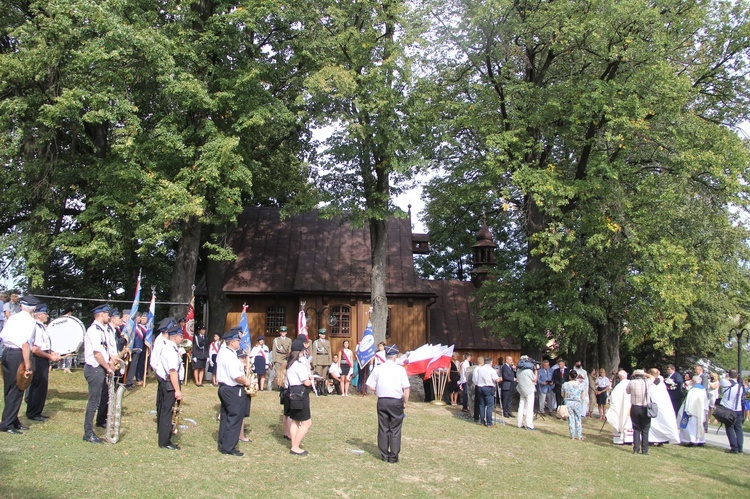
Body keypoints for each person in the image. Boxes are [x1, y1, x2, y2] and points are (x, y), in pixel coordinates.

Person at [0, 295, 40, 434]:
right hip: (18, 354)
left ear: (21, 306)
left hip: (7, 352)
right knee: (17, 389)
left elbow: (3, 335)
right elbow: (25, 344)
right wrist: (27, 365)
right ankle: (7, 423)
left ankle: (12, 419)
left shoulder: (13, 317)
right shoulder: (30, 321)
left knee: (9, 388)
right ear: (33, 308)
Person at [366, 344, 410, 463]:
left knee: (383, 427)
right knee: (395, 429)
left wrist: (381, 389)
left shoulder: (379, 368)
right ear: (395, 356)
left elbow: (370, 386)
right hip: (396, 400)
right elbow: (406, 389)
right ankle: (394, 456)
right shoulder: (400, 369)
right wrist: (405, 402)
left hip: (383, 400)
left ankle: (384, 454)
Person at [215, 328, 253, 456]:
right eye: (238, 341)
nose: (239, 343)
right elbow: (235, 376)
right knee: (235, 417)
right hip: (232, 388)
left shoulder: (223, 352)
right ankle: (229, 447)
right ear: (232, 342)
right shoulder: (230, 355)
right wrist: (246, 381)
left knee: (225, 416)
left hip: (223, 387)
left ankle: (223, 443)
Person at [82, 304, 116, 444]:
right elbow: (97, 353)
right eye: (107, 314)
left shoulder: (102, 329)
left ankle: (92, 429)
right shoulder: (94, 330)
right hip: (95, 368)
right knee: (93, 402)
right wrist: (107, 367)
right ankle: (88, 433)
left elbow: (106, 350)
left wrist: (112, 361)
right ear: (101, 314)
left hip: (100, 368)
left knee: (100, 400)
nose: (109, 316)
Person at [26, 304, 61, 422]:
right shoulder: (35, 326)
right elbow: (35, 349)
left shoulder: (42, 327)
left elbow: (44, 345)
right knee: (38, 386)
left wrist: (52, 352)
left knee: (41, 386)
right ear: (39, 315)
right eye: (45, 314)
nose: (47, 316)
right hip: (38, 359)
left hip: (43, 357)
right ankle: (33, 413)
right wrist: (50, 356)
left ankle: (37, 411)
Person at [157, 324, 184, 450]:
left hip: (166, 382)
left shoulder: (170, 347)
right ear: (175, 337)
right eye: (180, 335)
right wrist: (177, 390)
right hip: (169, 384)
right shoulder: (171, 349)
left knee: (165, 411)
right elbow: (173, 371)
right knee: (167, 412)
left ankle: (165, 437)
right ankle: (164, 441)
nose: (182, 337)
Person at [284, 339, 313, 456]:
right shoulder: (298, 365)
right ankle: (295, 446)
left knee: (295, 420)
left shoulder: (290, 364)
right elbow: (306, 382)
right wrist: (311, 380)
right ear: (300, 352)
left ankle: (293, 444)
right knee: (306, 423)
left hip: (293, 393)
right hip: (300, 394)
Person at [647, 368, 680, 446]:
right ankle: (655, 439)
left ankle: (658, 440)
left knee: (656, 422)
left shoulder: (656, 382)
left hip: (658, 405)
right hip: (659, 405)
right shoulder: (660, 382)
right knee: (656, 423)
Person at [626, 369, 654, 454]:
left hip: (635, 407)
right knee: (645, 429)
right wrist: (645, 374)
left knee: (636, 428)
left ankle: (636, 448)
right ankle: (645, 450)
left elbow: (627, 391)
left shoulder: (631, 382)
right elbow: (653, 377)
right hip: (645, 407)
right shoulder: (647, 382)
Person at [718, 369, 746, 454]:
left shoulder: (726, 382)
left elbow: (722, 379)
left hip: (729, 410)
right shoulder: (740, 386)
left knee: (730, 428)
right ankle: (740, 447)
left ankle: (734, 448)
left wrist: (727, 377)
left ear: (729, 375)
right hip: (738, 409)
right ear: (737, 376)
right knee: (738, 429)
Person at [678, 374, 708, 446]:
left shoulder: (693, 390)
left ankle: (692, 440)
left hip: (692, 411)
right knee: (699, 425)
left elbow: (689, 401)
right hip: (700, 411)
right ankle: (700, 440)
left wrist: (687, 410)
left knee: (691, 426)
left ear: (694, 381)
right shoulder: (702, 389)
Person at [472, 356, 501, 427]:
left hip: (480, 387)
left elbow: (476, 378)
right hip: (488, 387)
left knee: (481, 405)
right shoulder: (491, 370)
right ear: (491, 363)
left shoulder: (479, 369)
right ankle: (489, 423)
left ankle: (482, 421)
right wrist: (500, 378)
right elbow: (496, 379)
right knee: (489, 406)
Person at [606, 370, 633, 445]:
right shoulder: (630, 384)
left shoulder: (618, 387)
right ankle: (628, 439)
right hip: (628, 407)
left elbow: (613, 397)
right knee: (628, 421)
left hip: (619, 408)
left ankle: (619, 439)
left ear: (619, 377)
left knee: (620, 420)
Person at [515, 356, 537, 430]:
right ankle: (529, 425)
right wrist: (536, 370)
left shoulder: (518, 370)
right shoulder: (528, 371)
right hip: (529, 390)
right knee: (529, 408)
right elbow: (534, 379)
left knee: (521, 407)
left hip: (521, 390)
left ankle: (519, 423)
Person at [562, 369, 584, 440]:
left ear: (569, 376)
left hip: (568, 403)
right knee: (578, 418)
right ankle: (580, 435)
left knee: (571, 418)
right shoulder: (580, 385)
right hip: (577, 402)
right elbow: (582, 395)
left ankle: (572, 435)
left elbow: (562, 394)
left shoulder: (565, 384)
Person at [311, 329, 332, 395]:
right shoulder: (316, 342)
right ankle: (318, 390)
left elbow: (329, 352)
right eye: (322, 334)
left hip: (325, 360)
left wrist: (330, 361)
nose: (323, 335)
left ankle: (323, 390)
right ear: (319, 335)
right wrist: (314, 362)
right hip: (319, 360)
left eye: (324, 334)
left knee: (324, 376)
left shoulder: (327, 342)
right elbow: (314, 353)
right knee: (318, 376)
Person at [271, 326, 292, 390]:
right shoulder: (276, 340)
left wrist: (289, 359)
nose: (283, 333)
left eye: (284, 332)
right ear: (280, 332)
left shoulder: (289, 340)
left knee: (284, 372)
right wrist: (273, 360)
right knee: (278, 372)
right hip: (278, 357)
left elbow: (289, 350)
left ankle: (283, 385)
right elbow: (274, 350)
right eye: (282, 332)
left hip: (285, 357)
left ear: (286, 332)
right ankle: (279, 386)